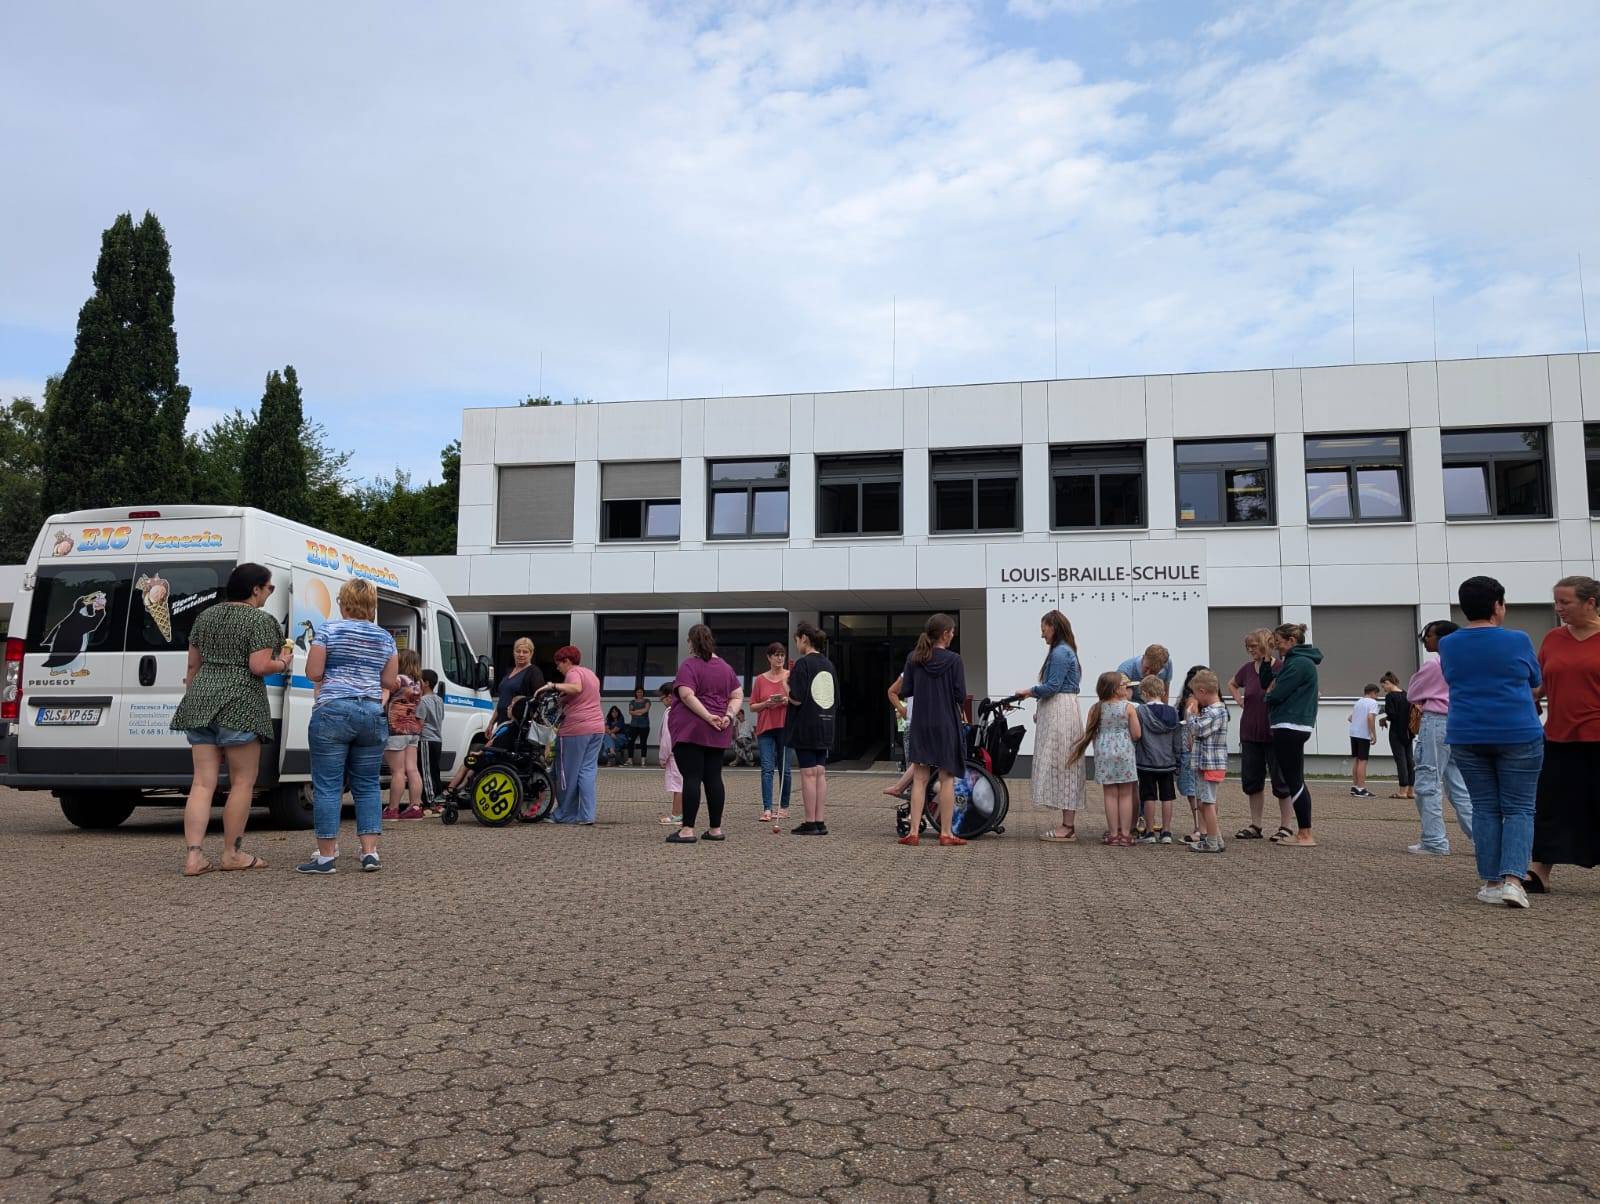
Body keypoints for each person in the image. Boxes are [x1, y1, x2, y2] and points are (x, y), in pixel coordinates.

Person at [170, 562, 292, 876]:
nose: (270, 593)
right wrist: (283, 662)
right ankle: (232, 854)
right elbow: (258, 666)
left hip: (200, 700)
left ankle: (194, 857)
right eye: (269, 587)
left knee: (202, 782)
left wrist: (195, 696)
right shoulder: (261, 620)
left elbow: (193, 666)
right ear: (255, 589)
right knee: (242, 782)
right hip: (239, 704)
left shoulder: (205, 616)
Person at [1439, 575, 1543, 909]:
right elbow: (1535, 678)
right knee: (1519, 808)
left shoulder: (1448, 644)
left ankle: (1491, 881)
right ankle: (1514, 880)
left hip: (1467, 732)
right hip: (1518, 731)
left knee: (1484, 807)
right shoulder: (1518, 639)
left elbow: (1451, 678)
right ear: (1498, 605)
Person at [297, 578, 399, 875]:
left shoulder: (328, 630)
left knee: (328, 786)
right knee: (367, 785)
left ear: (343, 603)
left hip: (334, 710)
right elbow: (388, 681)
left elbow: (314, 672)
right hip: (371, 713)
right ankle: (370, 853)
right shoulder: (385, 637)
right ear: (371, 605)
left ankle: (326, 857)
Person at [1529, 575, 1600, 893]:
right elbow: (1542, 684)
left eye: (1565, 602)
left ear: (1590, 603)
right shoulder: (1553, 639)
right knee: (1551, 805)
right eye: (1556, 601)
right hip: (1558, 736)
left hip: (1597, 736)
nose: (1558, 608)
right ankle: (1539, 873)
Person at [663, 624, 742, 844]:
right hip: (718, 731)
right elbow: (737, 694)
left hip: (692, 731)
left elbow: (686, 695)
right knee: (714, 778)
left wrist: (707, 716)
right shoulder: (725, 668)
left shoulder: (689, 665)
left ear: (691, 643)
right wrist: (728, 715)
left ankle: (687, 830)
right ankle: (715, 829)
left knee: (691, 777)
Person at [896, 613, 969, 847]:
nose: (953, 635)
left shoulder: (914, 658)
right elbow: (960, 695)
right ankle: (946, 833)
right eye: (952, 631)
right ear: (945, 634)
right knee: (947, 778)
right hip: (946, 723)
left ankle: (913, 832)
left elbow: (906, 690)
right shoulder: (954, 660)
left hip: (921, 723)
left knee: (919, 778)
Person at [1013, 610, 1085, 844]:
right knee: (1064, 764)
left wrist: (1028, 692)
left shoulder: (1060, 652)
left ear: (1053, 627)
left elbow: (1053, 686)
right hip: (1061, 709)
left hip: (1060, 712)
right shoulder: (1065, 650)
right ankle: (1067, 824)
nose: (1042, 634)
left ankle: (1068, 826)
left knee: (1063, 765)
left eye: (1044, 628)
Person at [443, 637, 544, 800]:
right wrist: (491, 722)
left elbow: (537, 698)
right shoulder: (509, 672)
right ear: (513, 652)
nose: (521, 654)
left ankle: (460, 788)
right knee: (486, 750)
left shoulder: (533, 672)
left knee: (485, 753)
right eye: (518, 651)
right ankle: (460, 788)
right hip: (503, 720)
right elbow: (503, 700)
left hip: (515, 723)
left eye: (525, 652)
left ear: (531, 654)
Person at [1407, 620, 1473, 855]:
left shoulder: (1435, 664)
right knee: (1459, 786)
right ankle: (1482, 840)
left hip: (1436, 721)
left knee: (1428, 782)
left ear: (1443, 639)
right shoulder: (1468, 662)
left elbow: (1413, 693)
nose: (1426, 640)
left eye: (1429, 636)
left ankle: (1434, 841)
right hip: (1460, 723)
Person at [1260, 623, 1321, 847]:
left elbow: (1276, 694)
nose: (1276, 647)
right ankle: (1304, 831)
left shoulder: (1299, 663)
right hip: (1291, 725)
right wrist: (1266, 660)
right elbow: (1266, 684)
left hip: (1290, 725)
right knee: (1294, 779)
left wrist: (1269, 695)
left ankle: (1305, 834)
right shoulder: (1294, 662)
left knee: (1294, 780)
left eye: (1278, 642)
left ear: (1292, 641)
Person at [1230, 629, 1290, 840]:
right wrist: (1239, 699)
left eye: (1254, 646)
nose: (1250, 650)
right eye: (1248, 647)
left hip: (1274, 733)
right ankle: (1256, 825)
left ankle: (1285, 826)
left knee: (1281, 781)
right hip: (1250, 732)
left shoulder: (1281, 668)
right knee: (1252, 781)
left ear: (1265, 644)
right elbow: (1232, 683)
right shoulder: (1247, 669)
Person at [1069, 671, 1141, 845]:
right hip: (1124, 753)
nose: (1126, 688)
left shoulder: (1096, 708)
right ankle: (1125, 834)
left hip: (1104, 753)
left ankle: (1113, 834)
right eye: (1123, 685)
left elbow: (1091, 732)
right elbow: (1137, 734)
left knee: (1110, 794)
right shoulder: (1128, 708)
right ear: (1115, 689)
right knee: (1126, 794)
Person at [537, 646, 604, 825]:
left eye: (559, 664)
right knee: (587, 771)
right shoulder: (591, 674)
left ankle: (565, 814)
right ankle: (587, 815)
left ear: (567, 661)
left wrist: (552, 685)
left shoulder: (573, 673)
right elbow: (581, 695)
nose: (558, 667)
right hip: (597, 728)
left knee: (567, 774)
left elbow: (576, 688)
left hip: (576, 730)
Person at [786, 621, 838, 836]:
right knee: (820, 772)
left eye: (797, 640)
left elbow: (796, 698)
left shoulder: (803, 664)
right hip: (826, 723)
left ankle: (810, 822)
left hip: (806, 725)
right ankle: (820, 820)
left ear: (804, 639)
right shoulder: (829, 665)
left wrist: (785, 685)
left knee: (808, 773)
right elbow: (835, 698)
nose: (796, 644)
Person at [1133, 674, 1182, 844]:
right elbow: (1177, 739)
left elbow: (1136, 735)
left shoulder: (1140, 711)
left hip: (1146, 762)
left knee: (1149, 797)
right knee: (1167, 797)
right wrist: (1177, 759)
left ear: (1145, 693)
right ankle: (1166, 832)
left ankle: (1149, 832)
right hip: (1167, 762)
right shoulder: (1173, 712)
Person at [1187, 670, 1230, 853]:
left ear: (1202, 691)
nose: (1195, 698)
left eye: (1195, 694)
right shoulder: (1215, 711)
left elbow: (1197, 729)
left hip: (1210, 764)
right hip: (1207, 764)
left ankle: (1211, 842)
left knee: (1207, 803)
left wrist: (1190, 714)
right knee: (1205, 802)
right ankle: (1217, 839)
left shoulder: (1215, 712)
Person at [750, 642, 792, 823]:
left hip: (785, 727)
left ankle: (783, 807)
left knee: (785, 769)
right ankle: (767, 809)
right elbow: (752, 706)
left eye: (782, 655)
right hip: (765, 728)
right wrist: (766, 704)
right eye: (776, 655)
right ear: (769, 657)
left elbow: (798, 699)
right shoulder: (760, 679)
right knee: (767, 769)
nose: (780, 658)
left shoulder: (790, 676)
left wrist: (786, 700)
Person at [382, 648, 426, 821]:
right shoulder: (419, 683)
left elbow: (384, 694)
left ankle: (392, 809)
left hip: (396, 729)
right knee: (412, 769)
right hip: (413, 729)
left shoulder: (398, 680)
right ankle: (415, 806)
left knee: (398, 771)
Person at [1175, 665, 1205, 844]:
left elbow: (1191, 728)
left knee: (1194, 792)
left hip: (1190, 751)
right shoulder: (1207, 703)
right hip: (1198, 751)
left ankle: (1199, 828)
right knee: (1202, 791)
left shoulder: (1190, 702)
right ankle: (1204, 827)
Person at [1377, 671, 1414, 800]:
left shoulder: (1390, 697)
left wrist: (1384, 718)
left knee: (1401, 761)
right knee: (1410, 760)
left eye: (1384, 686)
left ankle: (1402, 791)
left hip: (1396, 732)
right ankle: (1411, 791)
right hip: (1408, 732)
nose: (1384, 689)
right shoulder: (1406, 694)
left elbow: (1392, 714)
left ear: (1388, 683)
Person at [418, 669, 445, 814]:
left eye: (419, 680)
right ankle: (439, 799)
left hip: (426, 739)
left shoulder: (422, 701)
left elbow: (420, 723)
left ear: (426, 683)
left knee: (426, 772)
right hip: (437, 739)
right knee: (435, 771)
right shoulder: (439, 700)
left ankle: (429, 802)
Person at [656, 683, 683, 827]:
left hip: (674, 754)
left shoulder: (670, 712)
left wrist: (662, 758)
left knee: (677, 786)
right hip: (686, 752)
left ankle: (676, 815)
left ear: (669, 697)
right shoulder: (685, 709)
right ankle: (682, 814)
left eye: (662, 698)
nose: (662, 701)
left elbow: (667, 738)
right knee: (684, 783)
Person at [1347, 683, 1381, 799]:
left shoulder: (1359, 701)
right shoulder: (1373, 703)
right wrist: (1373, 733)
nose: (1377, 697)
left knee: (1357, 759)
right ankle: (1361, 788)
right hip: (1363, 735)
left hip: (1353, 733)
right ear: (1373, 692)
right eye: (1376, 694)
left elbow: (1350, 718)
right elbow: (1370, 717)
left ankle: (1355, 786)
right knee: (1363, 761)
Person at [626, 686, 652, 767]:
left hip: (644, 725)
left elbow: (646, 710)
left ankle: (643, 761)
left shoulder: (647, 701)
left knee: (643, 743)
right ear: (635, 693)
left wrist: (636, 711)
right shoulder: (632, 701)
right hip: (633, 725)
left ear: (643, 693)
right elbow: (630, 712)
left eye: (641, 692)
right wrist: (640, 712)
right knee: (631, 742)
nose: (639, 693)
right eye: (638, 692)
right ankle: (630, 760)